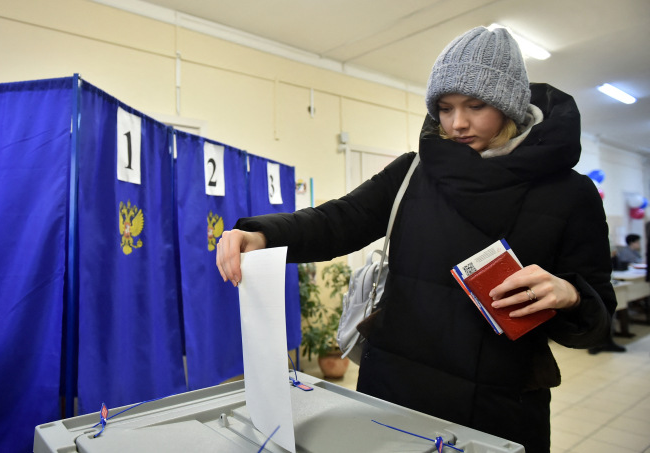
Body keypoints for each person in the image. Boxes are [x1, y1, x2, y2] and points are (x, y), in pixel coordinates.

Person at [216, 27, 615, 453]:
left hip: (498, 406)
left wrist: (570, 294)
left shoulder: (570, 194)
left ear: (509, 105)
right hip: (393, 390)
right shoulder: (414, 172)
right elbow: (339, 219)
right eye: (444, 108)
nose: (457, 123)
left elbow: (596, 317)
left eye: (475, 106)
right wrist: (262, 234)